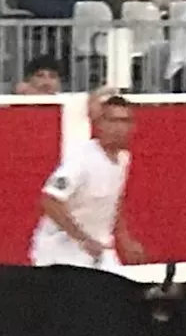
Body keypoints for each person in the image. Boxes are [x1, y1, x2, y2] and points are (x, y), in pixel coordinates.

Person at [29, 94, 147, 274]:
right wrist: (82, 239)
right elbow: (50, 200)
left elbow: (114, 203)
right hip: (61, 250)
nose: (119, 128)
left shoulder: (123, 159)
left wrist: (125, 241)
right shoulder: (82, 160)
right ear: (99, 125)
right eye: (112, 121)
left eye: (125, 121)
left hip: (99, 249)